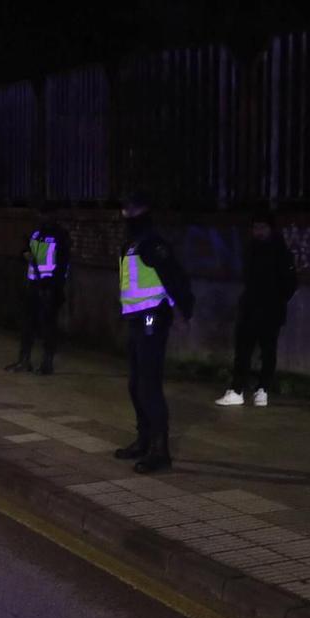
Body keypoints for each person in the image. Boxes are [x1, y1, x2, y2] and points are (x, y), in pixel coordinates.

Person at [114, 190, 194, 473]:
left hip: (152, 318)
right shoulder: (132, 243)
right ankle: (144, 440)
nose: (126, 214)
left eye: (132, 209)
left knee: (149, 384)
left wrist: (183, 311)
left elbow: (174, 277)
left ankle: (160, 451)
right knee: (136, 384)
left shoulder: (152, 242)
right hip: (136, 319)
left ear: (145, 210)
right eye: (124, 208)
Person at [216, 212, 299, 408]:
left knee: (265, 351)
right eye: (256, 227)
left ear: (270, 229)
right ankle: (243, 390)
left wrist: (276, 300)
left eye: (262, 227)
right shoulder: (255, 249)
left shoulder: (279, 252)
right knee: (246, 350)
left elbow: (290, 283)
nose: (258, 231)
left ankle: (258, 390)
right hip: (255, 308)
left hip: (268, 309)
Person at [6, 204, 68, 374]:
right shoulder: (36, 234)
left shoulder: (60, 236)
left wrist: (54, 286)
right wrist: (24, 254)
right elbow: (27, 253)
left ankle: (47, 363)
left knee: (48, 326)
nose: (41, 217)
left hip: (49, 287)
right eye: (40, 214)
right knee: (28, 324)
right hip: (33, 285)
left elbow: (63, 264)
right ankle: (24, 360)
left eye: (45, 214)